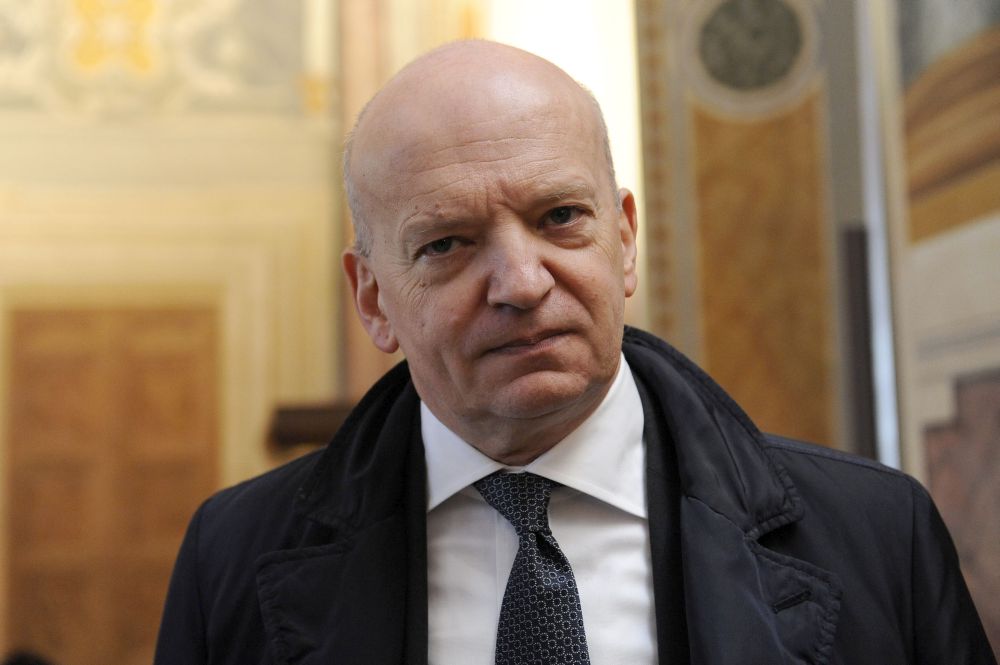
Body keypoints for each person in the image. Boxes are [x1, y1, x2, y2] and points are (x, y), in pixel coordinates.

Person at [154, 40, 995, 664]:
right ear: (373, 298)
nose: (521, 283)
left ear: (623, 240)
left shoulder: (878, 533)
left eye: (560, 217)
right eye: (447, 243)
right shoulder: (232, 556)